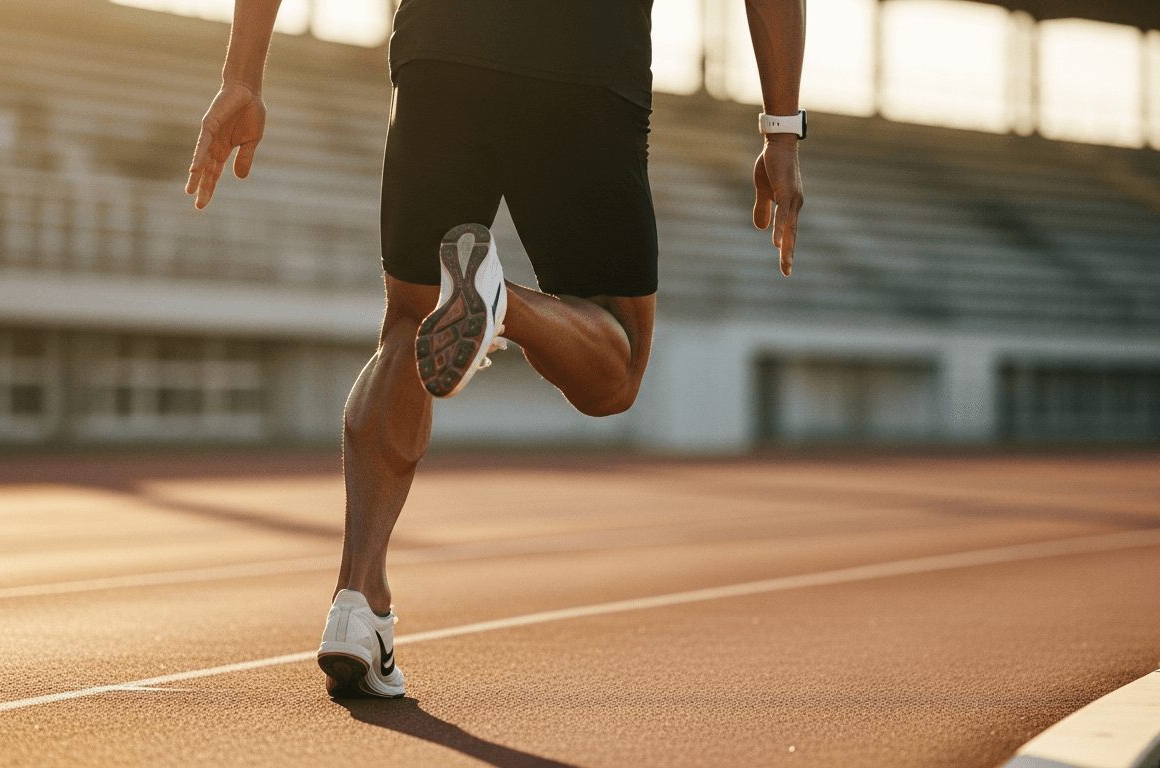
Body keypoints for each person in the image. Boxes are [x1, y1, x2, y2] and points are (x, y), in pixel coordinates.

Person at [187, 0, 806, 698]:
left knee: (409, 322)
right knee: (618, 362)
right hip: (586, 61)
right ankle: (502, 303)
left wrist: (243, 75)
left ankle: (358, 604)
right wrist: (781, 129)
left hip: (442, 49)